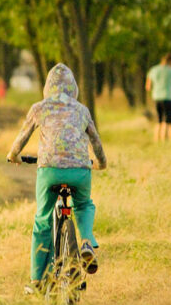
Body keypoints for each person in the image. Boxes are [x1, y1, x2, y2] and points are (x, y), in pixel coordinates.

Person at [6, 63, 107, 293]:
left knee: (42, 219)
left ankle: (37, 279)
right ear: (74, 88)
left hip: (49, 171)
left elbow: (21, 138)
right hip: (80, 171)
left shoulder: (39, 108)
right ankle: (86, 241)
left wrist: (14, 156)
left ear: (47, 87)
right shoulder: (82, 110)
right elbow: (96, 143)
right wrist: (101, 163)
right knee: (83, 204)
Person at [145, 53, 171, 142]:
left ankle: (156, 139)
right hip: (168, 97)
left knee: (158, 120)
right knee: (167, 121)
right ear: (170, 61)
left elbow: (148, 87)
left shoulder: (153, 70)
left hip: (156, 97)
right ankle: (164, 140)